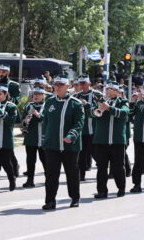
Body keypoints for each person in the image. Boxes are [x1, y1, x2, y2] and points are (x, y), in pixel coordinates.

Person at [41, 76, 84, 210]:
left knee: (71, 172)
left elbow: (79, 123)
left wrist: (72, 135)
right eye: (56, 84)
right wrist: (45, 138)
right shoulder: (49, 102)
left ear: (67, 87)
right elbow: (46, 121)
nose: (57, 87)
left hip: (70, 145)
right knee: (51, 174)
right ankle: (50, 201)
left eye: (60, 85)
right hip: (52, 145)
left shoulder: (76, 103)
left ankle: (75, 198)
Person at [92, 82, 129, 199]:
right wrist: (98, 108)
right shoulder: (100, 101)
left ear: (117, 92)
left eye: (112, 89)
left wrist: (109, 108)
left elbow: (124, 113)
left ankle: (121, 188)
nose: (108, 91)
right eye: (107, 89)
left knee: (118, 166)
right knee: (101, 167)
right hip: (101, 140)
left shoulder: (123, 101)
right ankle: (102, 191)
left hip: (117, 140)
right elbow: (91, 113)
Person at [0, 65, 21, 176]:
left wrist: (9, 98)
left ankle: (14, 166)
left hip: (9, 114)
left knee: (6, 145)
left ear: (8, 72)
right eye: (0, 71)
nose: (1, 73)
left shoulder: (14, 85)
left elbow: (18, 99)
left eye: (4, 71)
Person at [21, 86, 47, 187]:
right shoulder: (29, 106)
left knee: (45, 160)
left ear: (43, 95)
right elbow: (22, 121)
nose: (35, 96)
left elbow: (48, 121)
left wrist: (38, 115)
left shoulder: (47, 105)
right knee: (30, 160)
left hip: (43, 138)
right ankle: (30, 180)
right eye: (34, 94)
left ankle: (48, 178)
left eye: (38, 94)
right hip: (30, 137)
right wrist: (25, 121)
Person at [75, 75, 99, 181]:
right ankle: (81, 175)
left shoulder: (97, 94)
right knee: (81, 155)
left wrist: (87, 104)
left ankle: (106, 170)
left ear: (89, 83)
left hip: (94, 130)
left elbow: (100, 110)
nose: (82, 85)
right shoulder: (76, 96)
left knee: (96, 154)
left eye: (84, 83)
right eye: (80, 83)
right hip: (81, 130)